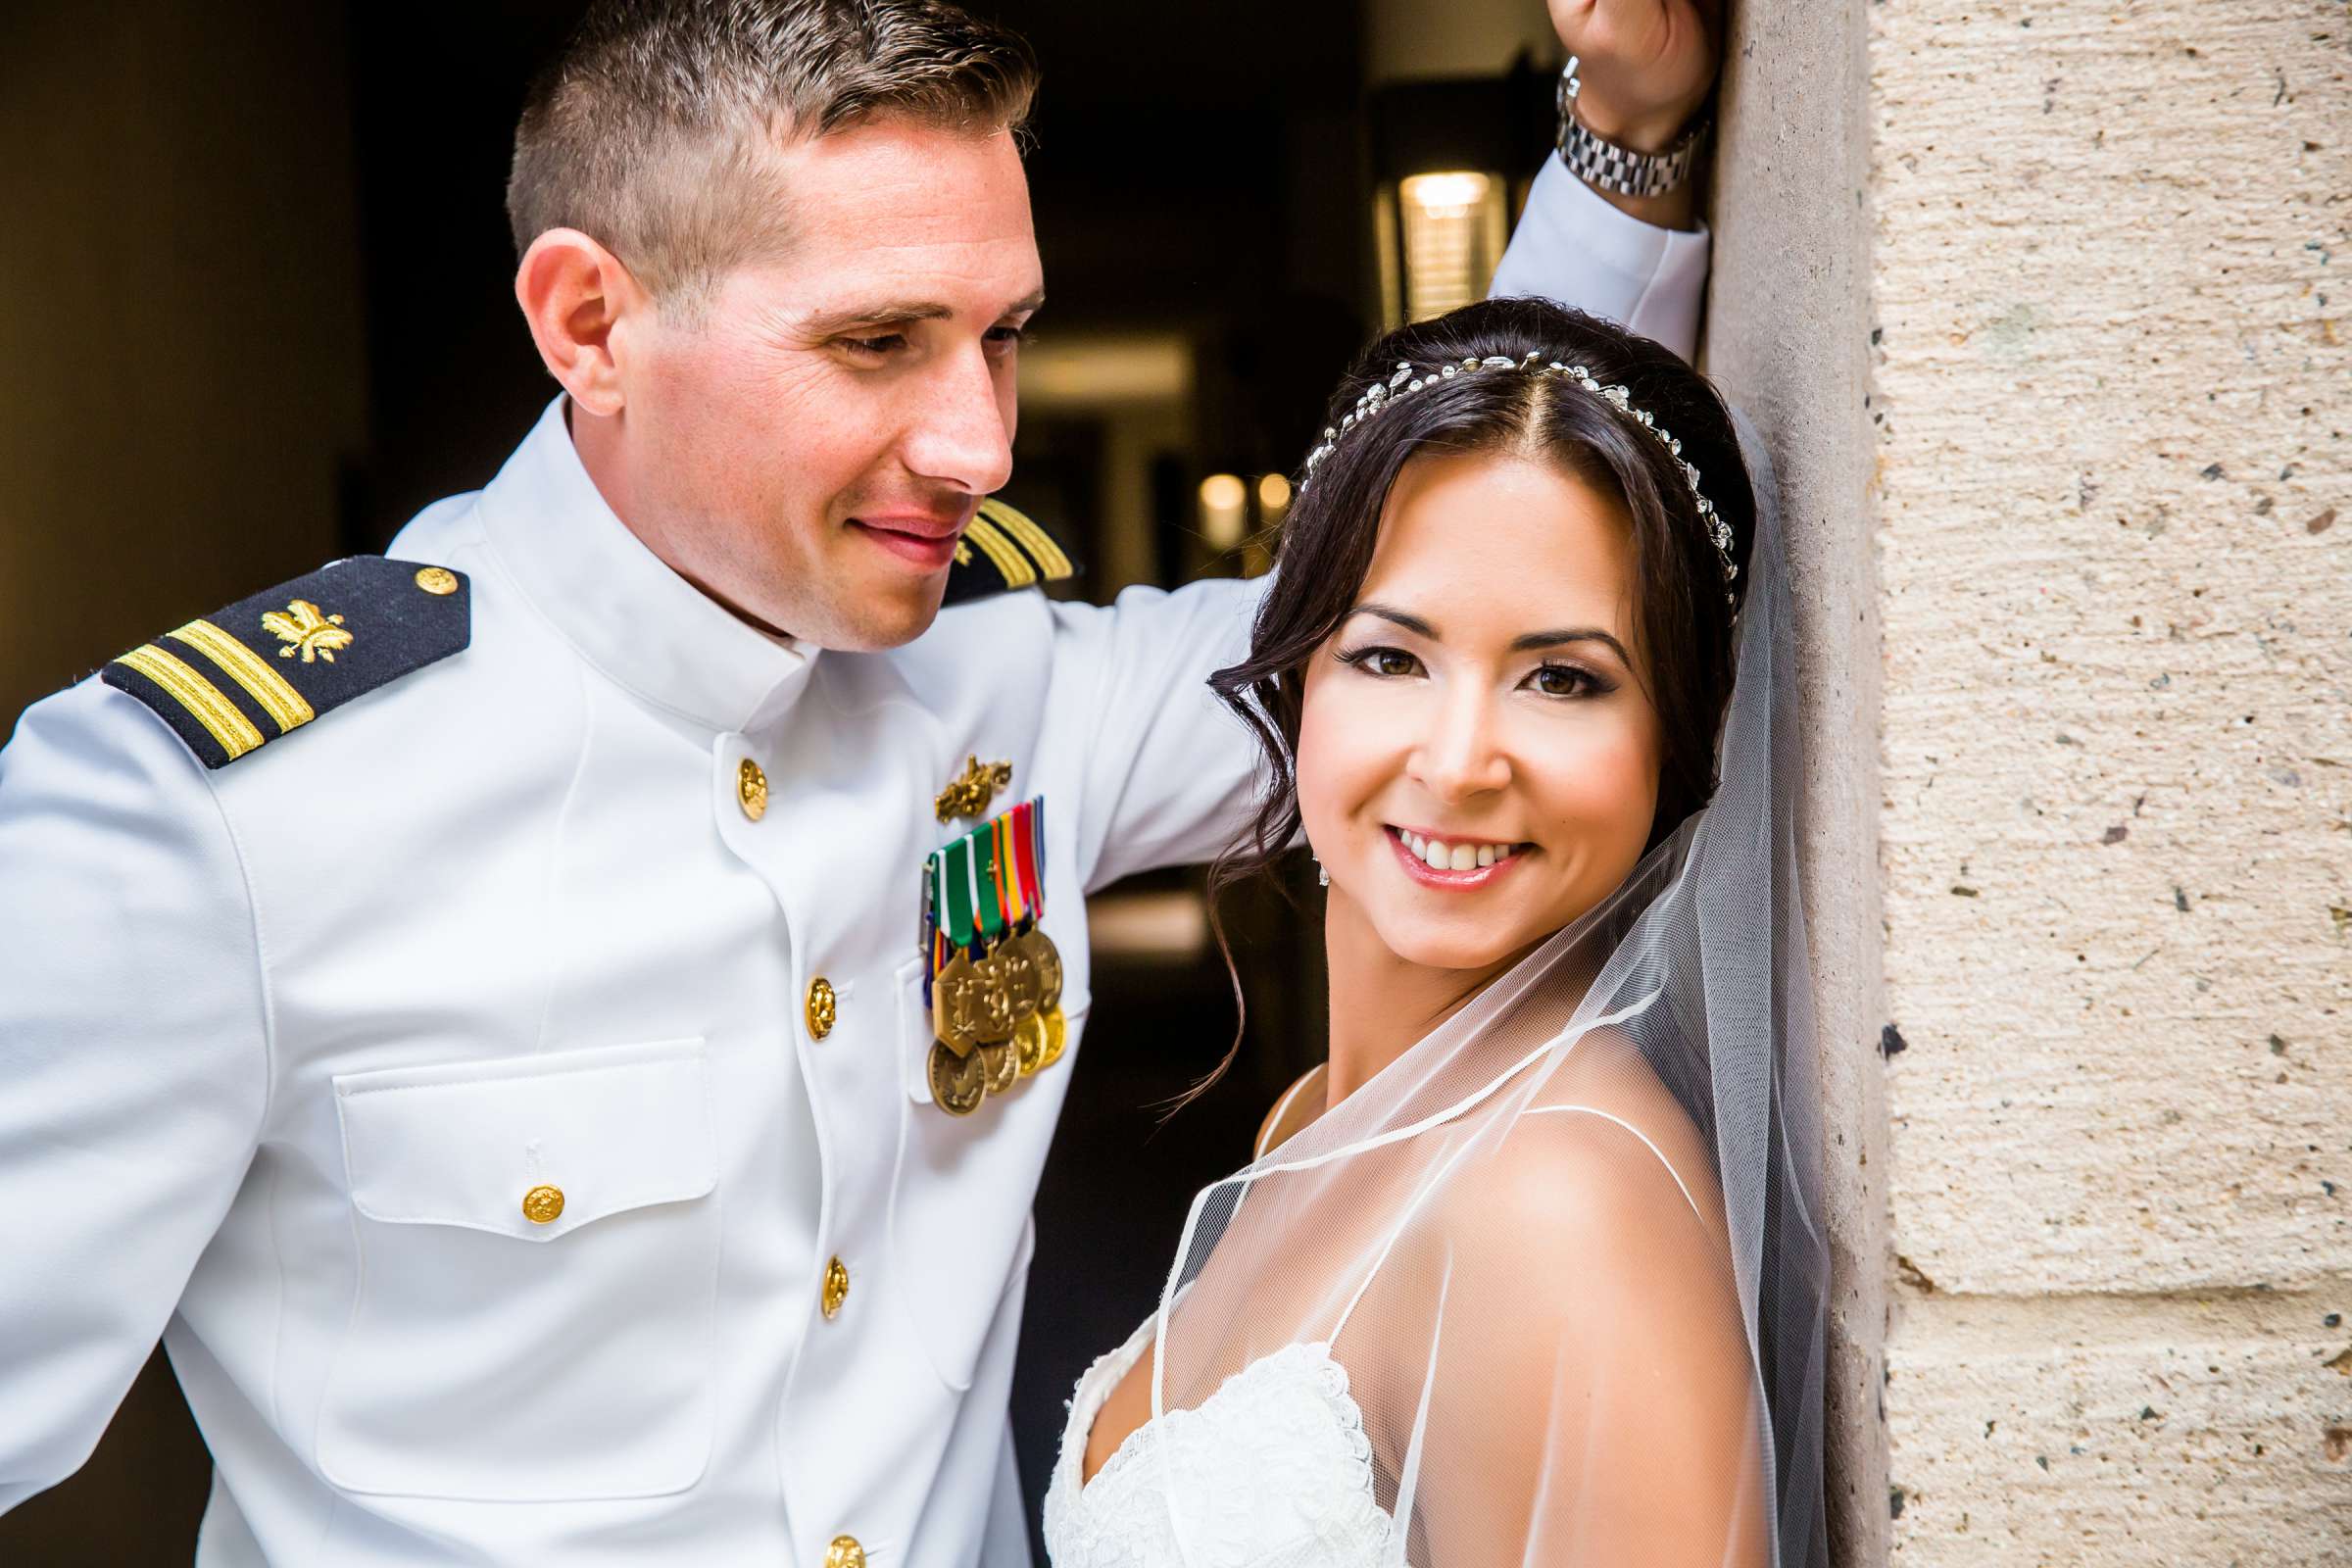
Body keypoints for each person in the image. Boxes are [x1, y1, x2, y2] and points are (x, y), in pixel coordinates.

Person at [0, 3, 1716, 1565]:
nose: (979, 443)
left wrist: (1622, 137)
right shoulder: (202, 819)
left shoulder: (1009, 680)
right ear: (591, 321)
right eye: (879, 342)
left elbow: (1431, 620)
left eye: (1004, 337)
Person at [1040, 314, 1826, 1559]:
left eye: (1563, 678)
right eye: (1391, 656)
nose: (1458, 763)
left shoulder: (1561, 1205)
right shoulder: (1309, 1117)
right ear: (1296, 676)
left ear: (1677, 743)